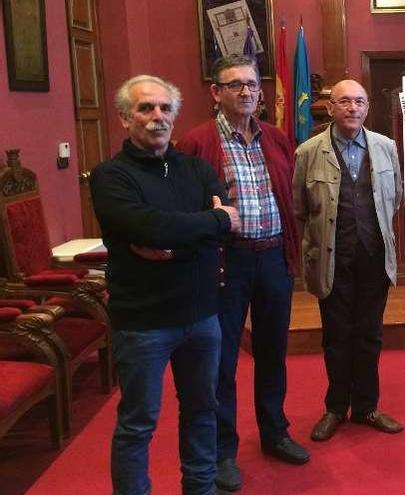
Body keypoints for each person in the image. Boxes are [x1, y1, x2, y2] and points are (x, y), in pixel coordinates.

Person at [90, 75, 242, 494]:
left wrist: (177, 238)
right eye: (145, 108)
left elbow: (228, 224)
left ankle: (201, 488)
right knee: (138, 423)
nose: (157, 116)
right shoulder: (110, 176)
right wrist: (203, 226)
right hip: (144, 322)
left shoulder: (197, 169)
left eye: (164, 108)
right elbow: (147, 226)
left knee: (202, 411)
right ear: (125, 117)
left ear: (174, 115)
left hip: (202, 315)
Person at [176, 55, 307, 492]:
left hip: (273, 259)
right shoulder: (196, 142)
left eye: (252, 84)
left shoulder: (275, 138)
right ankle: (223, 451)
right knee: (223, 361)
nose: (246, 92)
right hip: (224, 264)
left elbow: (289, 198)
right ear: (216, 92)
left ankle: (274, 433)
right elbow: (182, 207)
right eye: (234, 85)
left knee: (272, 352)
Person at [293, 79, 404, 442]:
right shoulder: (308, 152)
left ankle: (367, 407)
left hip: (373, 258)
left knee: (370, 335)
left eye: (359, 101)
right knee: (336, 337)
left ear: (367, 107)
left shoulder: (386, 148)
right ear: (330, 108)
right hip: (332, 261)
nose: (352, 108)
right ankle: (336, 408)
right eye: (344, 102)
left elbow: (396, 198)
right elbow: (299, 209)